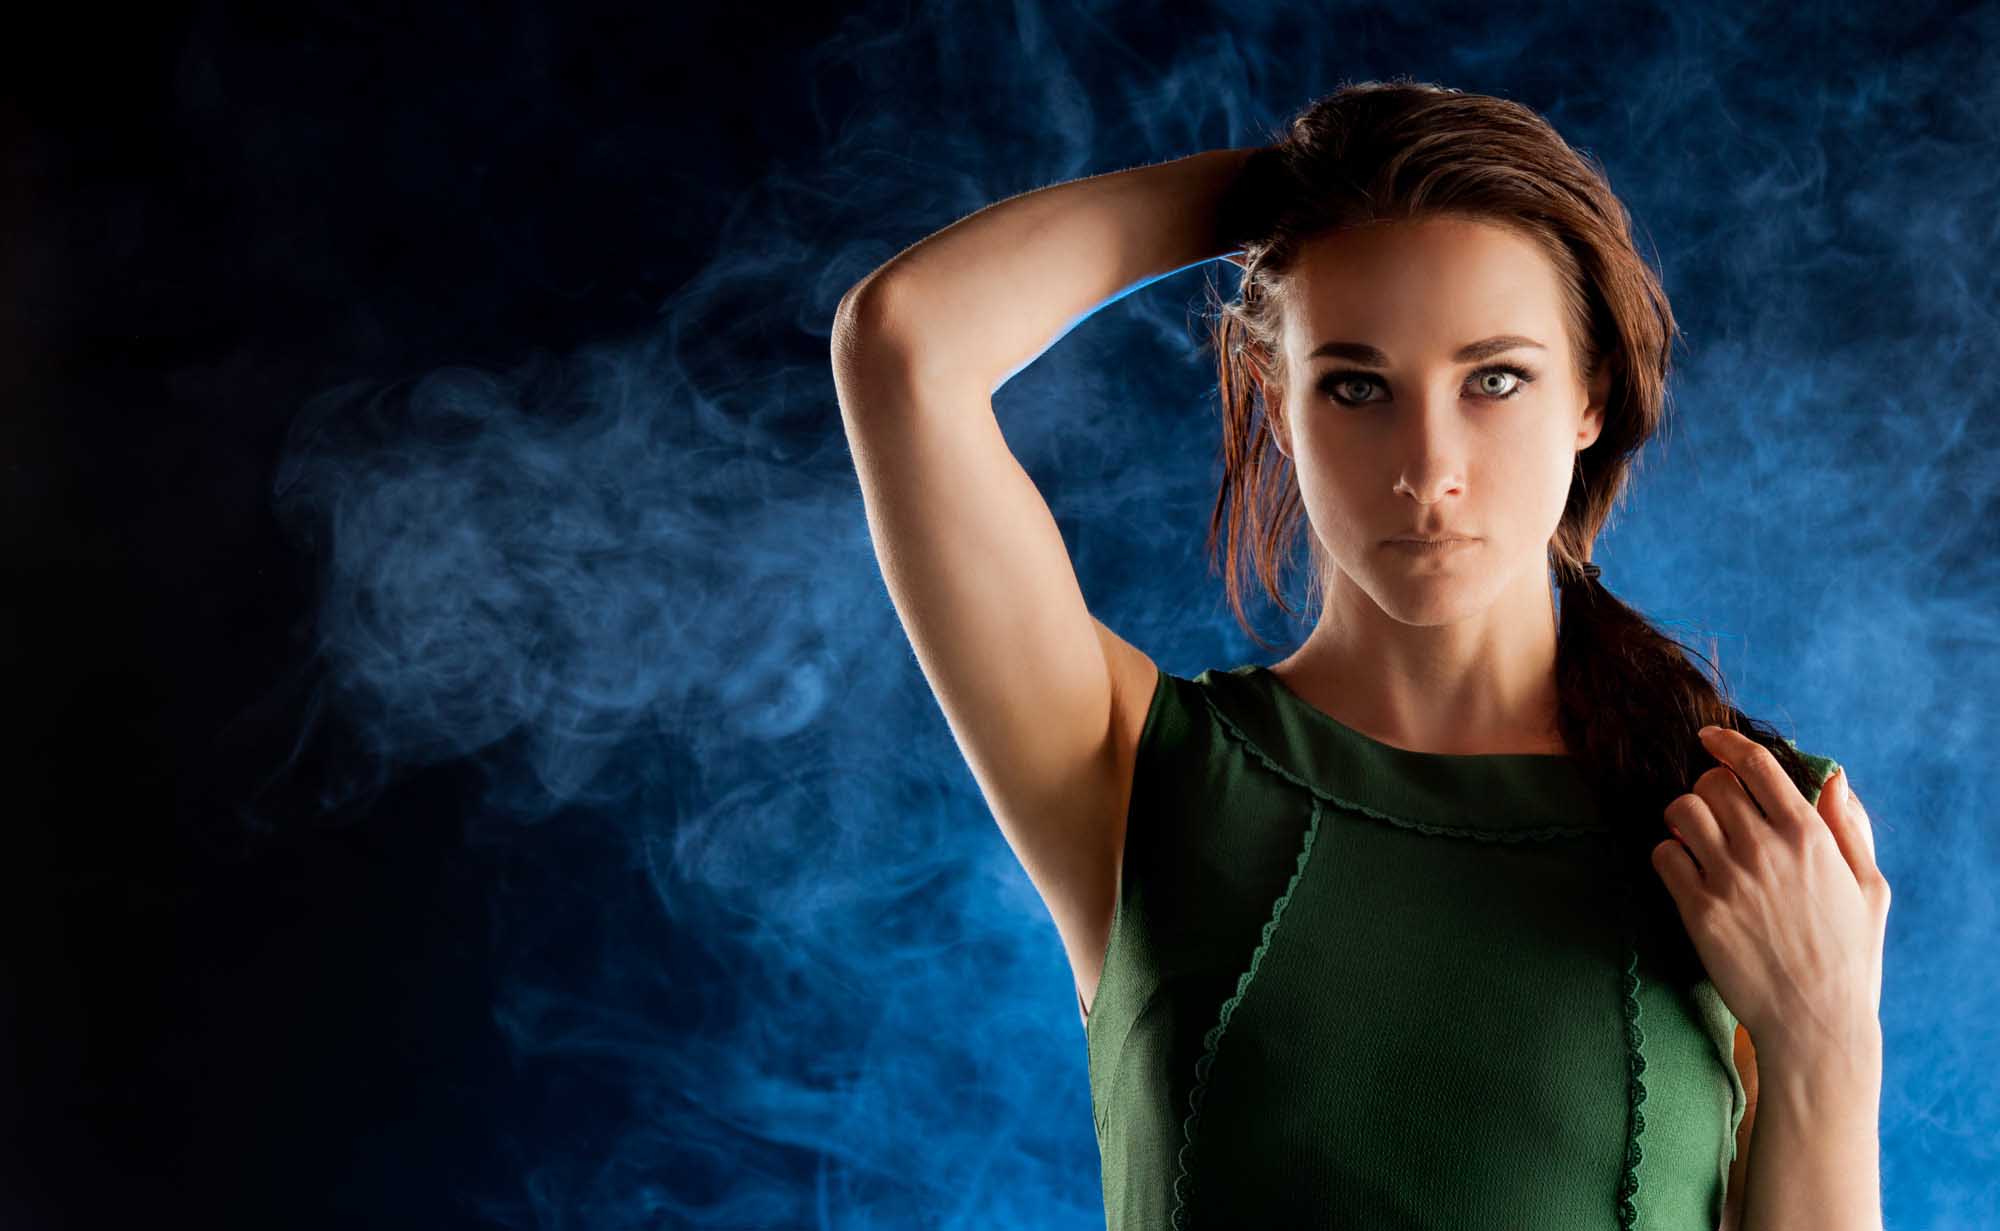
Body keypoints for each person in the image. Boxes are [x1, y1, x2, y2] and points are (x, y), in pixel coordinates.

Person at [829, 80, 1887, 1231]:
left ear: (1587, 395)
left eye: (1493, 378)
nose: (1425, 465)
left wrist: (1826, 1037)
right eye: (1353, 385)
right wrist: (1283, 193)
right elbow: (903, 341)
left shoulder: (1739, 817)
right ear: (1276, 404)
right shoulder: (1135, 773)